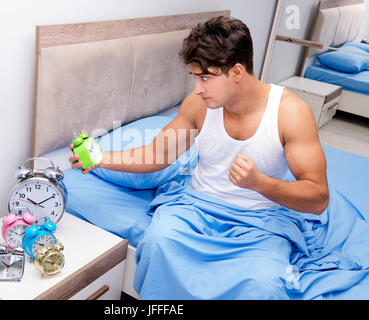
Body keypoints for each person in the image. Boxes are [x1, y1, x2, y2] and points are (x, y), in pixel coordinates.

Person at [69, 15, 329, 299]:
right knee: (157, 242)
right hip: (197, 208)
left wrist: (260, 183)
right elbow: (157, 153)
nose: (197, 89)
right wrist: (99, 158)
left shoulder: (290, 113)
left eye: (205, 77)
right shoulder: (200, 105)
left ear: (237, 72)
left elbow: (318, 199)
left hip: (259, 221)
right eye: (195, 77)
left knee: (263, 284)